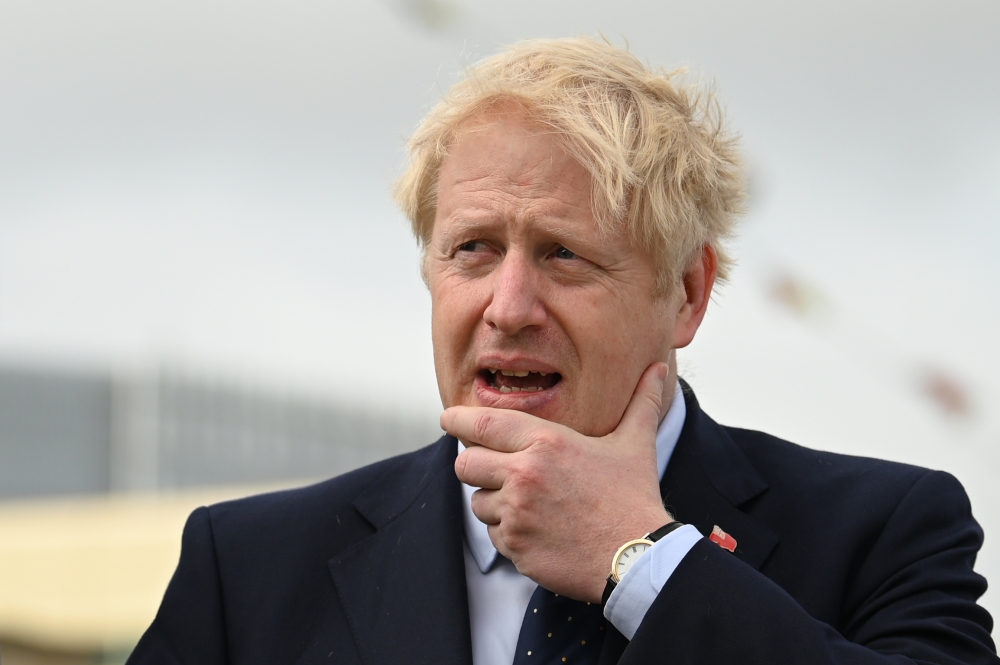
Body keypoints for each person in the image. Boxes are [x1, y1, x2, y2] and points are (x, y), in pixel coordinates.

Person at [127, 37, 997, 664]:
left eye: (563, 254)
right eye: (471, 249)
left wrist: (641, 558)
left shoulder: (886, 532)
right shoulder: (246, 568)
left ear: (688, 293)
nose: (508, 307)